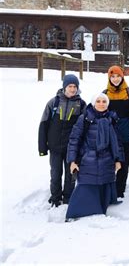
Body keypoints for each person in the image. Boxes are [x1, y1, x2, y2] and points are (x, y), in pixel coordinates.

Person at [65, 93, 123, 220]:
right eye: (98, 101)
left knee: (103, 183)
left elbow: (117, 141)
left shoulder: (111, 119)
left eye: (104, 101)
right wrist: (72, 160)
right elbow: (74, 140)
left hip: (107, 158)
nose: (101, 104)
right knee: (87, 184)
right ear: (93, 103)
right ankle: (78, 212)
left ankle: (102, 207)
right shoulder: (85, 118)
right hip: (88, 157)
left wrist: (118, 159)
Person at [38, 74, 86, 207]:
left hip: (71, 148)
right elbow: (43, 125)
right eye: (70, 86)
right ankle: (55, 197)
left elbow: (85, 127)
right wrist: (42, 147)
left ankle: (68, 197)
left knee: (71, 174)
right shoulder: (53, 103)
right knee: (55, 173)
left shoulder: (81, 104)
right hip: (54, 146)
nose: (72, 89)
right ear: (64, 87)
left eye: (75, 86)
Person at [103, 65, 129, 198]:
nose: (116, 79)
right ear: (109, 78)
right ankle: (109, 187)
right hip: (109, 134)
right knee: (110, 161)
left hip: (126, 133)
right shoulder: (105, 94)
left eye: (118, 76)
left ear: (122, 77)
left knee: (124, 162)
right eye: (112, 76)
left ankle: (120, 190)